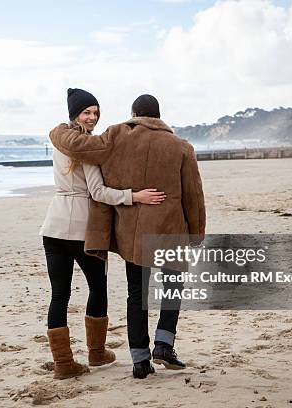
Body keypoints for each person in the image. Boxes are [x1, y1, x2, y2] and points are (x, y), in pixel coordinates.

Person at [48, 94, 206, 379]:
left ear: (134, 114)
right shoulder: (182, 146)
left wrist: (57, 131)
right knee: (173, 285)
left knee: (137, 294)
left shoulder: (117, 137)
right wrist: (196, 234)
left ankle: (140, 361)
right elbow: (194, 195)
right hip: (170, 228)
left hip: (133, 231)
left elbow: (80, 145)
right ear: (159, 116)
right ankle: (164, 344)